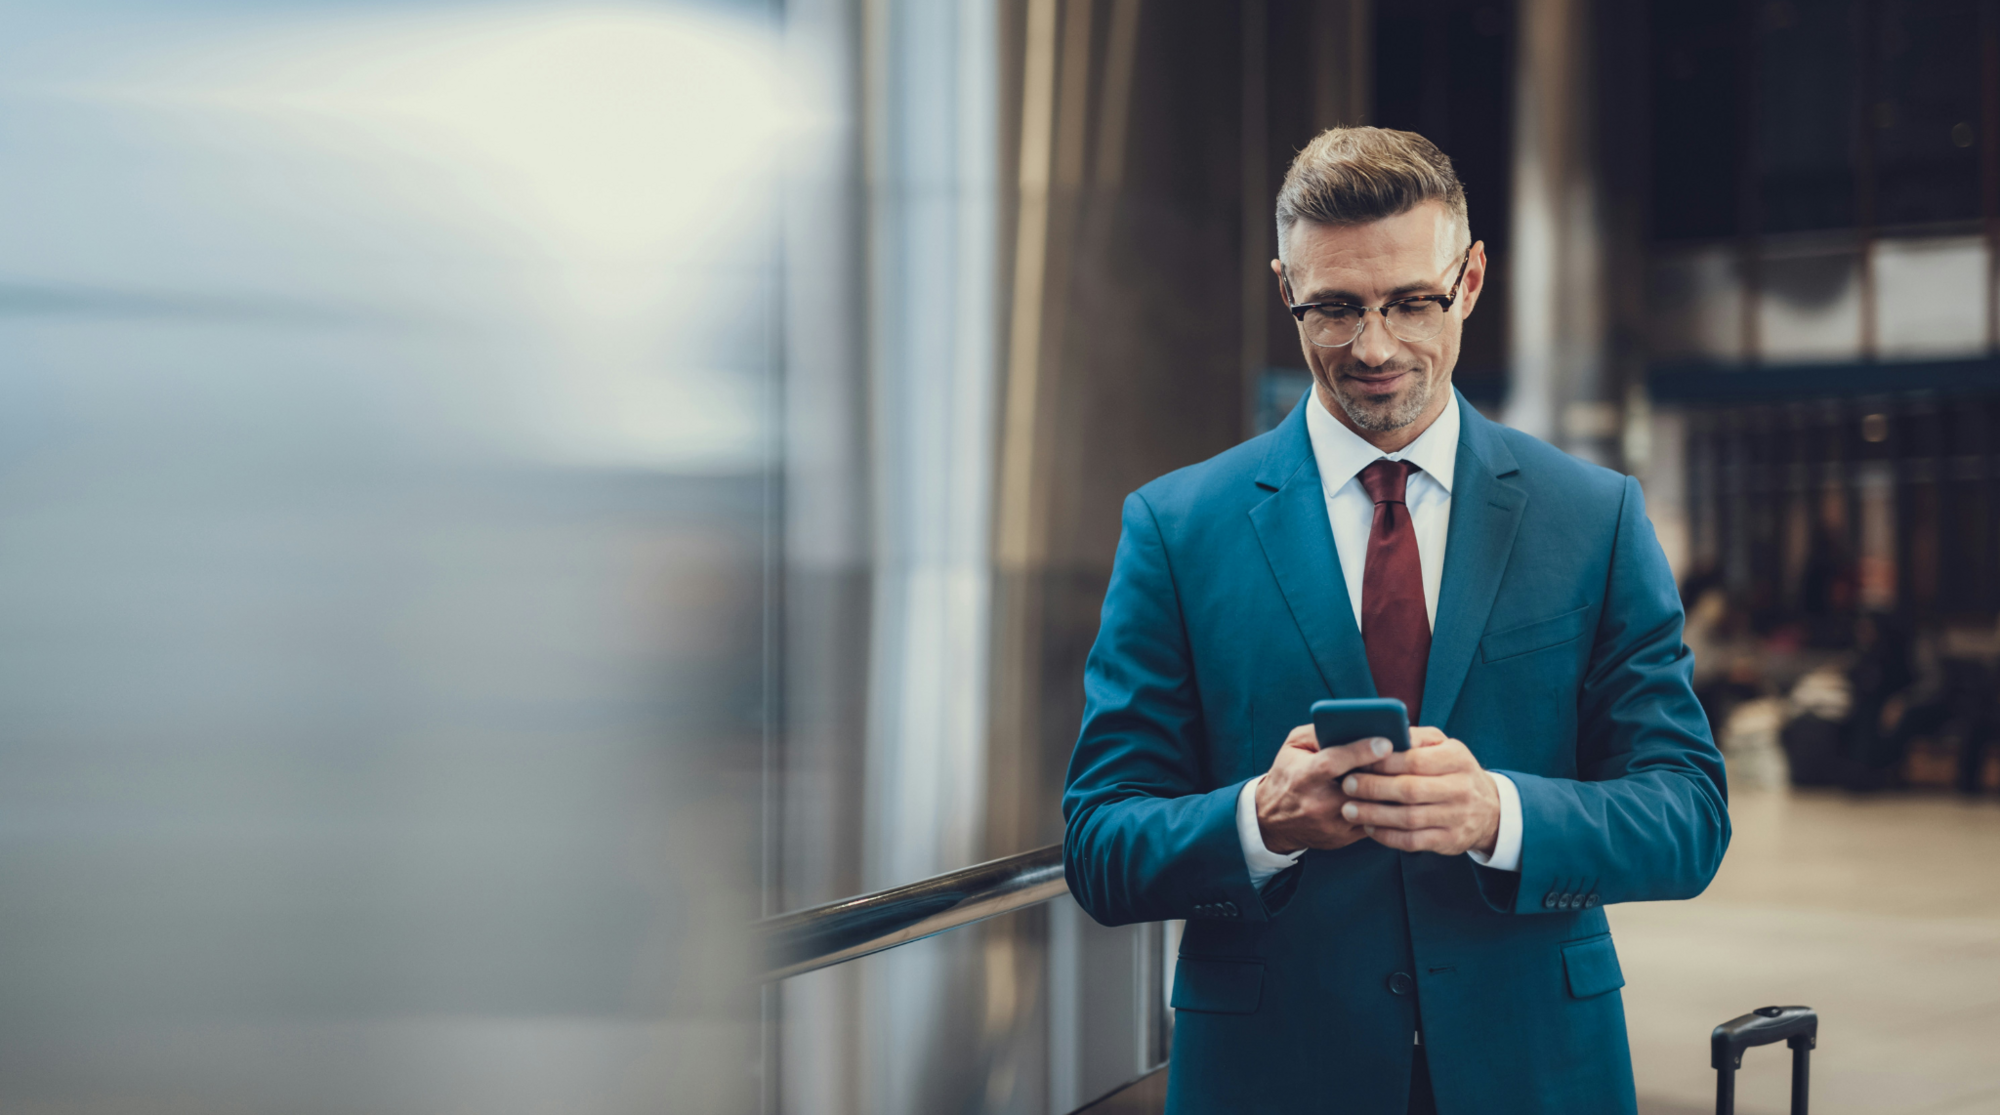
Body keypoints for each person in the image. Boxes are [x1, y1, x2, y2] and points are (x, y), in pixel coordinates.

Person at [1061, 127, 1729, 1115]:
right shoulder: (1176, 527)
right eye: (1333, 307)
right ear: (1285, 287)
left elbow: (1687, 816)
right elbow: (1100, 842)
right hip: (1272, 1077)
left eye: (1412, 301)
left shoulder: (1592, 517)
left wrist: (1498, 811)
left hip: (1533, 1068)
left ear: (1470, 280)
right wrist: (1258, 821)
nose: (1373, 347)